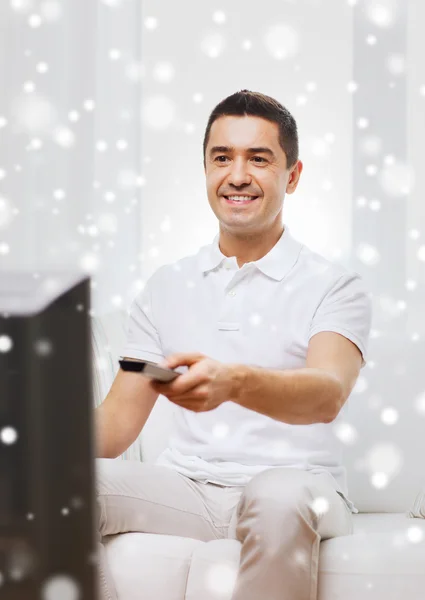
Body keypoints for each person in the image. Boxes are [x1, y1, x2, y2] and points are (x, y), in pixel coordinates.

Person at [95, 89, 372, 600]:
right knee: (52, 486)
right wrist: (31, 440)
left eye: (258, 159)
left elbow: (327, 394)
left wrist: (235, 382)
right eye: (222, 158)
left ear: (292, 176)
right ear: (205, 169)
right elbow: (113, 429)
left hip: (299, 485)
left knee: (278, 497)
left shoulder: (334, 286)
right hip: (190, 489)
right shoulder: (166, 285)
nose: (237, 175)